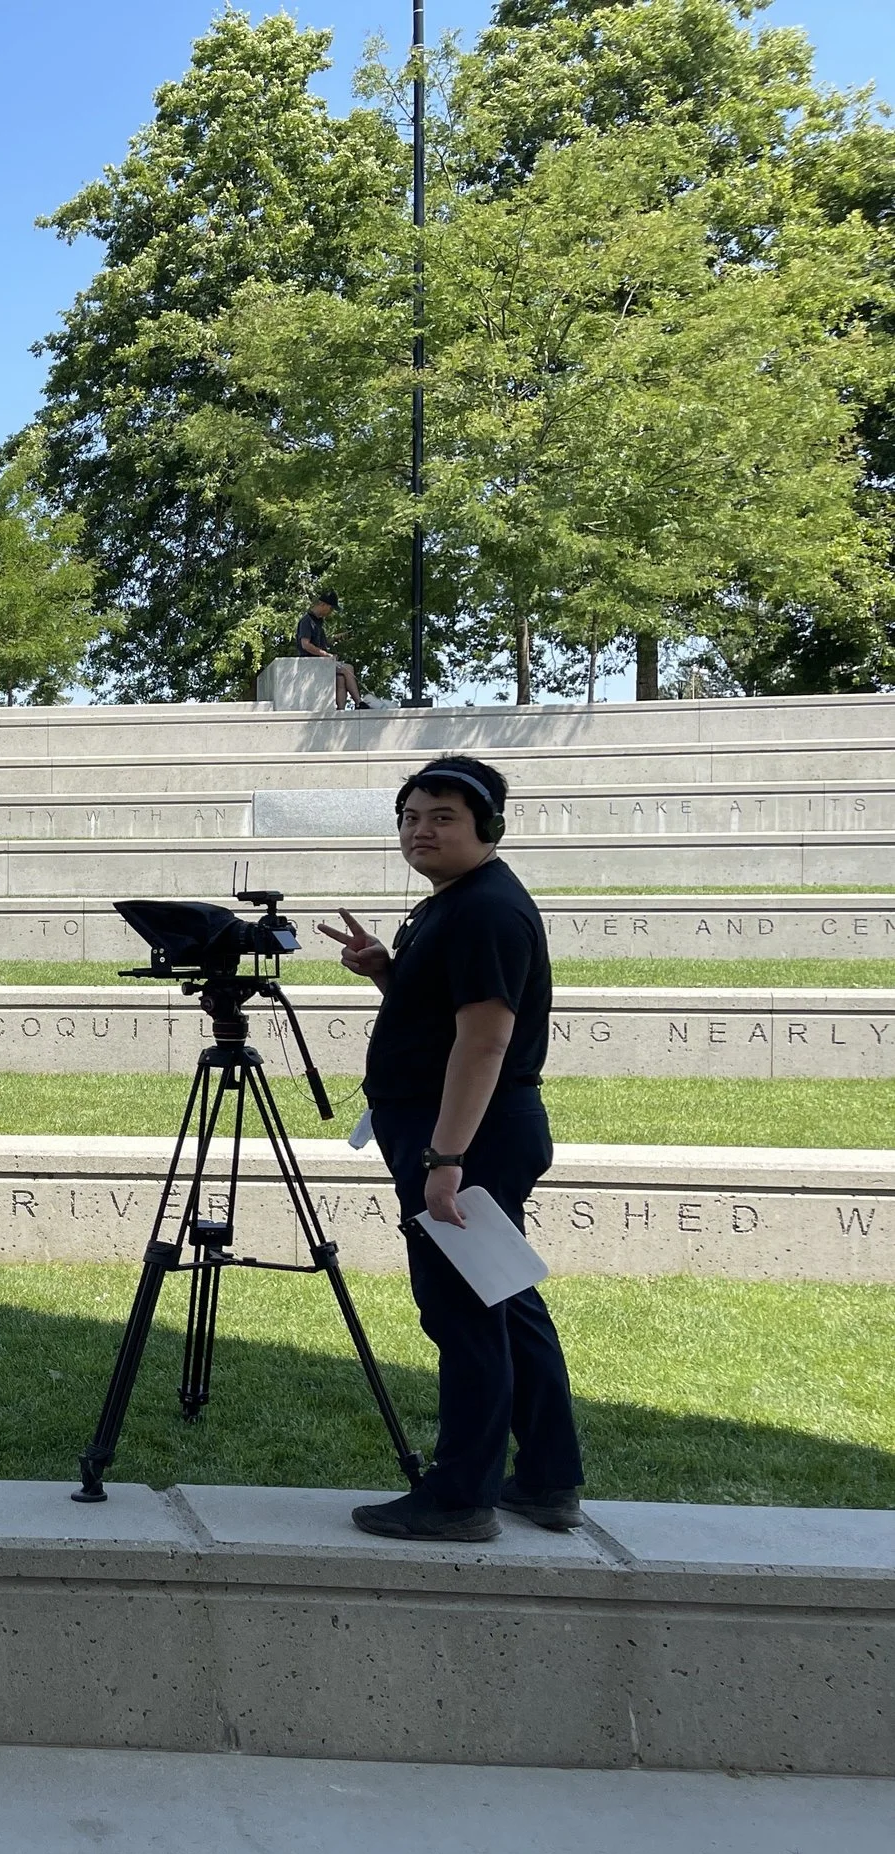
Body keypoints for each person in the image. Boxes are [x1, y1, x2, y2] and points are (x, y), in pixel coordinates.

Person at [318, 756, 585, 1543]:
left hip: (467, 1136)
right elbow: (446, 1013)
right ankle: (545, 1478)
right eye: (410, 816)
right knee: (504, 1300)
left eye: (442, 817)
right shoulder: (456, 904)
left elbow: (485, 1042)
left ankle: (461, 1496)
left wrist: (443, 1158)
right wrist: (388, 974)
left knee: (463, 1314)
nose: (420, 830)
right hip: (465, 1133)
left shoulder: (485, 911)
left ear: (487, 829)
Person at [296, 590, 365, 709]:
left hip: (320, 661)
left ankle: (340, 710)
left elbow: (320, 643)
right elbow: (305, 644)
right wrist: (325, 655)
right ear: (323, 605)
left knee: (341, 678)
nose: (331, 612)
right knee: (348, 668)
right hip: (311, 663)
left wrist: (336, 638)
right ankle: (359, 702)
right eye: (331, 608)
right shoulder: (307, 621)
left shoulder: (318, 622)